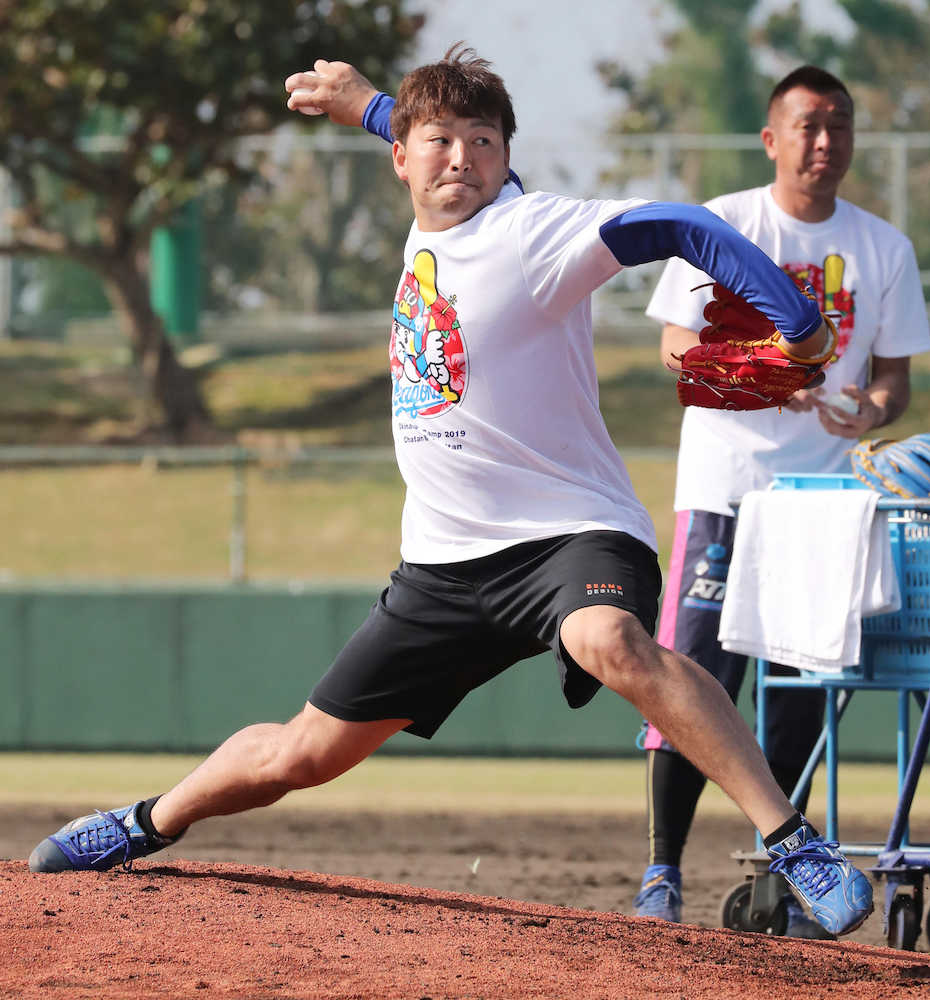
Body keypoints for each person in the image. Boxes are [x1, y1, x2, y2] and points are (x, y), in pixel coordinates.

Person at [30, 48, 873, 939]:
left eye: (484, 141)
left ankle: (791, 840)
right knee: (300, 755)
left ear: (508, 158)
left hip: (568, 533)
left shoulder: (532, 232)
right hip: (441, 564)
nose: (462, 157)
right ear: (401, 154)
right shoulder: (437, 204)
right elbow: (424, 133)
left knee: (610, 639)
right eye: (440, 141)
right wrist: (365, 103)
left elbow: (676, 222)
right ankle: (143, 823)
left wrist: (801, 320)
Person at [635, 65, 930, 936]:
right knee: (689, 675)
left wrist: (869, 409)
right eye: (807, 125)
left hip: (826, 506)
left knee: (803, 682)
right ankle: (662, 868)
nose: (824, 141)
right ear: (772, 138)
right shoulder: (728, 224)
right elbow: (675, 344)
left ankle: (787, 869)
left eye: (839, 125)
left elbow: (893, 383)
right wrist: (765, 379)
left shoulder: (883, 247)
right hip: (725, 490)